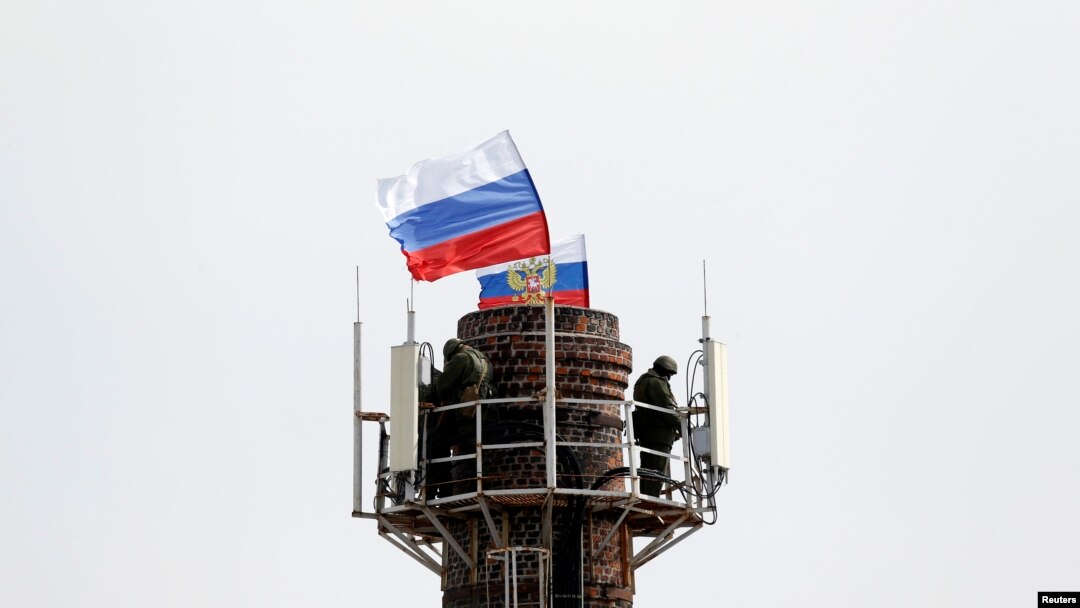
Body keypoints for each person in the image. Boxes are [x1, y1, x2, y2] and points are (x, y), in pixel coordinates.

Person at [425, 339, 495, 497]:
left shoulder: (460, 359)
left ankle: (441, 491)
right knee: (474, 450)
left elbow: (441, 387)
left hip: (465, 412)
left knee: (436, 444)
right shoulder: (485, 360)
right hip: (484, 413)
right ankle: (480, 485)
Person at [632, 355, 681, 496]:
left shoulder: (642, 380)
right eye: (669, 374)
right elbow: (667, 409)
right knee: (657, 469)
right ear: (664, 369)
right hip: (659, 436)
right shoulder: (656, 383)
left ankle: (646, 496)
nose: (669, 377)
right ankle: (651, 497)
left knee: (646, 468)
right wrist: (683, 427)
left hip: (646, 433)